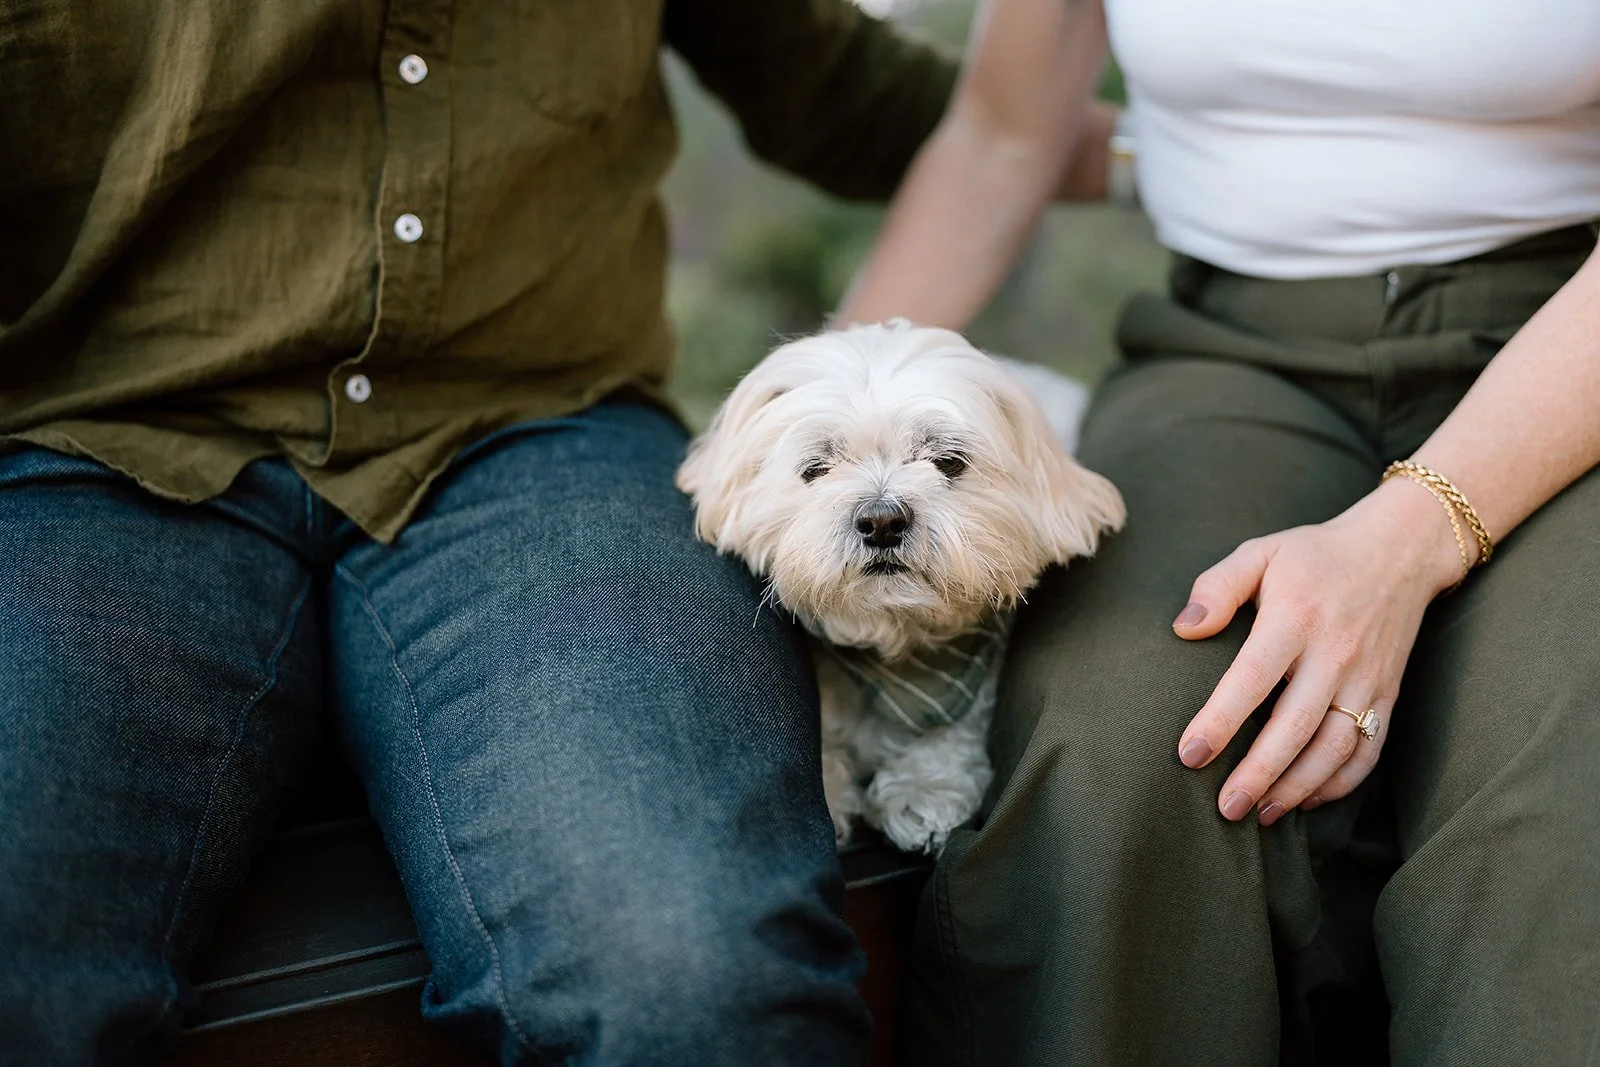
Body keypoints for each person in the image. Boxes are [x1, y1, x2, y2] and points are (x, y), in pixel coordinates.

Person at [0, 4, 998, 1064]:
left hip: (543, 437)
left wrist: (1123, 135)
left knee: (695, 983)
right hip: (98, 440)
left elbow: (844, 87)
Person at [836, 0, 1600, 1064]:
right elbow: (1001, 136)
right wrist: (811, 425)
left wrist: (1413, 536)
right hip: (1233, 351)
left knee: (1555, 797)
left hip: (1569, 357)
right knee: (1119, 742)